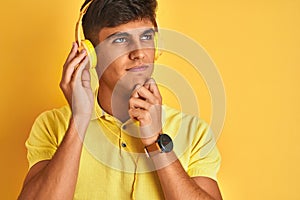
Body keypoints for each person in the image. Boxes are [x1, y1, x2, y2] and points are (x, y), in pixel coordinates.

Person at [19, 0, 222, 199]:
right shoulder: (51, 126)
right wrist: (80, 119)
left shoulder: (195, 132)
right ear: (91, 55)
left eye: (146, 37)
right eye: (120, 40)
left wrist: (156, 142)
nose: (139, 53)